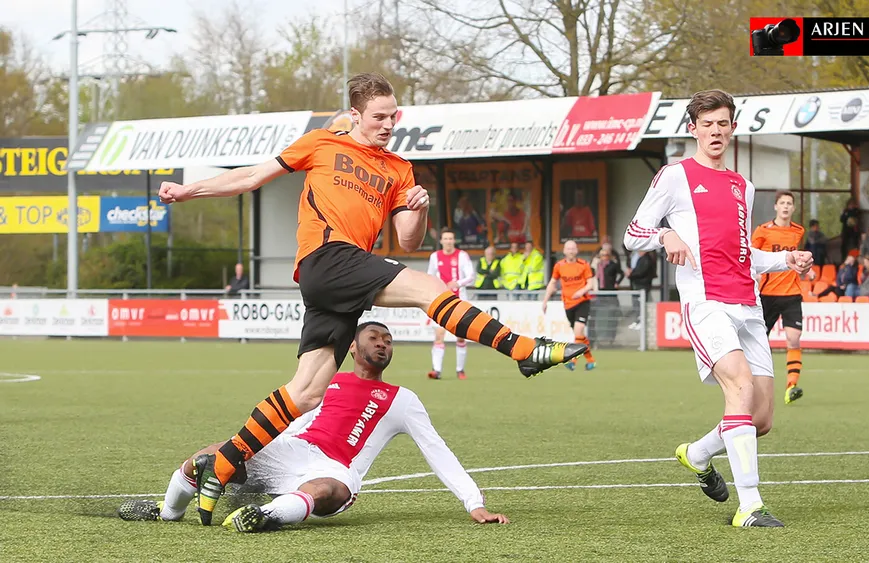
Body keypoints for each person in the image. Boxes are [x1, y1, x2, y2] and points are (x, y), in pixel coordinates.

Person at [157, 73, 585, 525]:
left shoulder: (399, 169)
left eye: (393, 116)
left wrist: (420, 208)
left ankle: (226, 461)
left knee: (307, 392)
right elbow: (251, 176)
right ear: (356, 115)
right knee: (428, 289)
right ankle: (522, 350)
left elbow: (408, 239)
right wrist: (187, 191)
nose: (388, 124)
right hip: (326, 257)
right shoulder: (322, 143)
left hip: (344, 280)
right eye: (379, 116)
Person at [623, 89, 812, 528]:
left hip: (748, 303)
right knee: (740, 386)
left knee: (761, 418)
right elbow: (633, 234)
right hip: (705, 303)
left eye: (722, 123)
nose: (715, 131)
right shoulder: (674, 176)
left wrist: (786, 259)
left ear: (732, 129)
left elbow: (744, 254)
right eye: (706, 124)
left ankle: (698, 453)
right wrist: (665, 235)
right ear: (693, 129)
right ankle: (750, 506)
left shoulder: (744, 186)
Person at [117, 322, 509, 532]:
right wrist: (256, 454)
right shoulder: (327, 379)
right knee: (208, 456)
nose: (383, 344)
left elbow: (437, 450)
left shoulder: (401, 399)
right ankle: (168, 512)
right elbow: (292, 416)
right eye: (374, 337)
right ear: (352, 347)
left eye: (388, 341)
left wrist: (473, 503)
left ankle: (263, 516)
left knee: (325, 491)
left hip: (335, 468)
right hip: (292, 449)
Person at [750, 190, 806, 405]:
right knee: (758, 341)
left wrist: (806, 268)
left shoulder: (798, 231)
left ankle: (791, 386)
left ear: (793, 208)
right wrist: (755, 275)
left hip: (792, 293)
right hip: (768, 294)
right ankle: (752, 383)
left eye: (789, 203)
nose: (785, 206)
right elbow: (751, 256)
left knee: (793, 337)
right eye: (782, 203)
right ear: (776, 206)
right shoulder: (763, 231)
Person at [427, 228, 476, 380]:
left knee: (460, 336)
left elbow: (471, 276)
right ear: (441, 241)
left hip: (459, 301)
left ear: (454, 241)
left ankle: (460, 370)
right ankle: (436, 370)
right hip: (441, 300)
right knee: (439, 335)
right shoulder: (435, 257)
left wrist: (458, 283)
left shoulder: (462, 256)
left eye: (450, 239)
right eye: (446, 239)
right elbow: (430, 276)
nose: (448, 241)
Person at [542, 240, 599, 371]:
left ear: (577, 250)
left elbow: (590, 284)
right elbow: (552, 283)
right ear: (564, 251)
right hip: (568, 304)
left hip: (582, 302)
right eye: (568, 249)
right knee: (580, 336)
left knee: (578, 330)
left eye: (573, 248)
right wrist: (545, 301)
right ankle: (591, 361)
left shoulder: (584, 265)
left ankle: (572, 361)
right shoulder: (559, 266)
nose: (571, 251)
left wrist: (581, 292)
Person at [627, 250, 656, 330]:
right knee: (636, 304)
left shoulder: (646, 259)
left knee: (641, 304)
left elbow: (640, 272)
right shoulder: (640, 259)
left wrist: (631, 274)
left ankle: (642, 322)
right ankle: (637, 320)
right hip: (637, 285)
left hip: (642, 285)